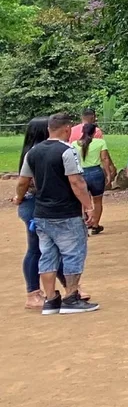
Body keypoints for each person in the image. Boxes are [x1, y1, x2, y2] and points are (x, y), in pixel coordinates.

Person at [13, 113, 99, 314]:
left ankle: (51, 299)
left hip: (42, 213)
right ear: (67, 129)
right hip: (65, 212)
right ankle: (71, 297)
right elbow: (76, 182)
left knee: (47, 254)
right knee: (73, 253)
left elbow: (22, 181)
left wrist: (18, 198)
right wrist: (89, 206)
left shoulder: (32, 153)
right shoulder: (67, 151)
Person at [16, 116, 49, 310]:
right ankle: (33, 293)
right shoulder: (35, 154)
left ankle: (68, 288)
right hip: (35, 204)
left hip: (33, 203)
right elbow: (26, 183)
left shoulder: (30, 152)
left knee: (45, 248)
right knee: (35, 248)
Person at [72, 108, 114, 235]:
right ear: (94, 132)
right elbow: (104, 159)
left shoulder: (74, 144)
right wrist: (108, 174)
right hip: (96, 172)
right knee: (97, 200)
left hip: (81, 173)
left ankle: (84, 224)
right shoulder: (100, 142)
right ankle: (95, 225)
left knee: (83, 200)